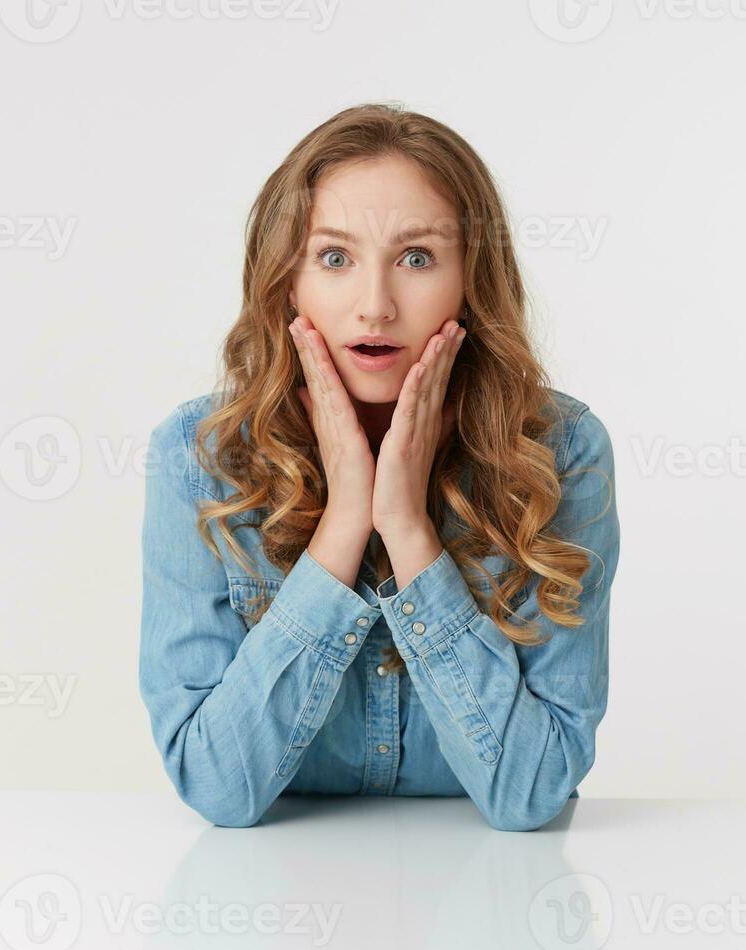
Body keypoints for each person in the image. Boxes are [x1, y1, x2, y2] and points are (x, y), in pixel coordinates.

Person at [139, 102, 620, 832]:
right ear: (287, 282)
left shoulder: (563, 452)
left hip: (492, 908)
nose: (375, 306)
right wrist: (342, 527)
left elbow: (531, 793)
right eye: (334, 258)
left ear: (470, 280)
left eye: (417, 258)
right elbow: (216, 786)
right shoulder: (198, 457)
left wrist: (406, 529)